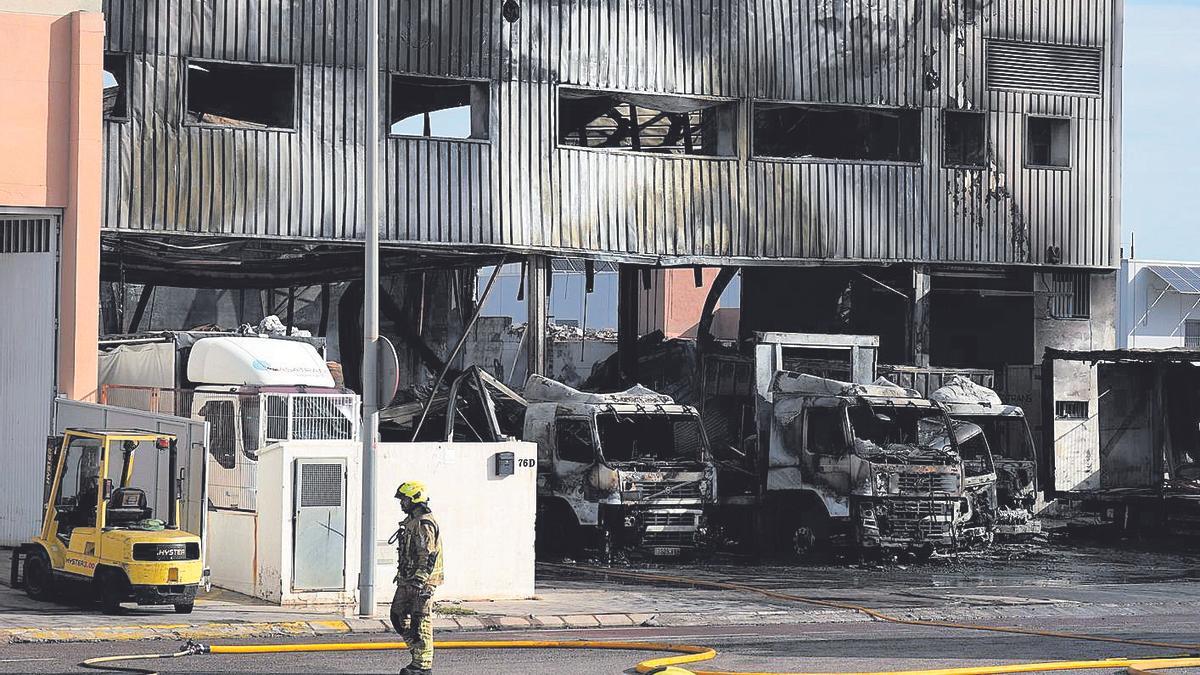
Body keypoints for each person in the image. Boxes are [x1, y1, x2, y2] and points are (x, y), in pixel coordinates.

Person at [390, 480, 444, 675]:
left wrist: (419, 581)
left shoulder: (424, 523)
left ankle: (422, 666)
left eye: (404, 499)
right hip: (407, 579)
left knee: (420, 621)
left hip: (421, 582)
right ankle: (417, 654)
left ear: (414, 499)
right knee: (397, 616)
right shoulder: (412, 521)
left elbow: (428, 555)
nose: (401, 503)